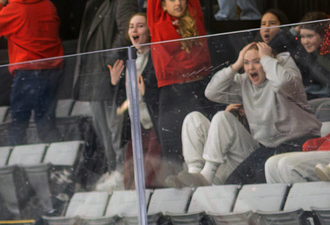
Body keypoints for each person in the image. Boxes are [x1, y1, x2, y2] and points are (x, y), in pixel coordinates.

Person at [175, 41, 321, 187]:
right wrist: (236, 65)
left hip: (299, 143)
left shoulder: (284, 72)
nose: (250, 67)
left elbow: (283, 83)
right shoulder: (245, 82)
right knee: (196, 118)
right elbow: (211, 92)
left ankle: (208, 179)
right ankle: (198, 175)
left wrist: (267, 58)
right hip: (265, 148)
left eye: (257, 61)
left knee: (237, 183)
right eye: (247, 63)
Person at [70, 0, 137, 183]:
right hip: (93, 77)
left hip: (110, 75)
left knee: (116, 129)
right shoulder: (91, 4)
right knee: (104, 131)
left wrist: (107, 61)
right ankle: (113, 170)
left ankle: (122, 174)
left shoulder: (120, 2)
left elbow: (127, 31)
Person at [0, 0, 63, 146]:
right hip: (52, 70)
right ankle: (59, 163)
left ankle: (17, 163)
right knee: (46, 122)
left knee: (19, 123)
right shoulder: (48, 5)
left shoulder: (15, 8)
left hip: (27, 71)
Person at [147, 0, 213, 168]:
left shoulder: (194, 16)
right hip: (172, 91)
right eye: (171, 0)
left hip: (198, 87)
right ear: (162, 5)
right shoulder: (156, 21)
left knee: (204, 142)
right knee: (173, 147)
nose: (178, 3)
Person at [110, 12, 162, 188]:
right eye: (132, 26)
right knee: (130, 177)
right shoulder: (128, 60)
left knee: (149, 176)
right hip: (136, 126)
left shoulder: (157, 57)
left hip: (154, 124)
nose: (134, 29)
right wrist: (115, 83)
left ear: (149, 31)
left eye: (140, 25)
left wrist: (147, 92)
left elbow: (162, 96)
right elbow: (121, 104)